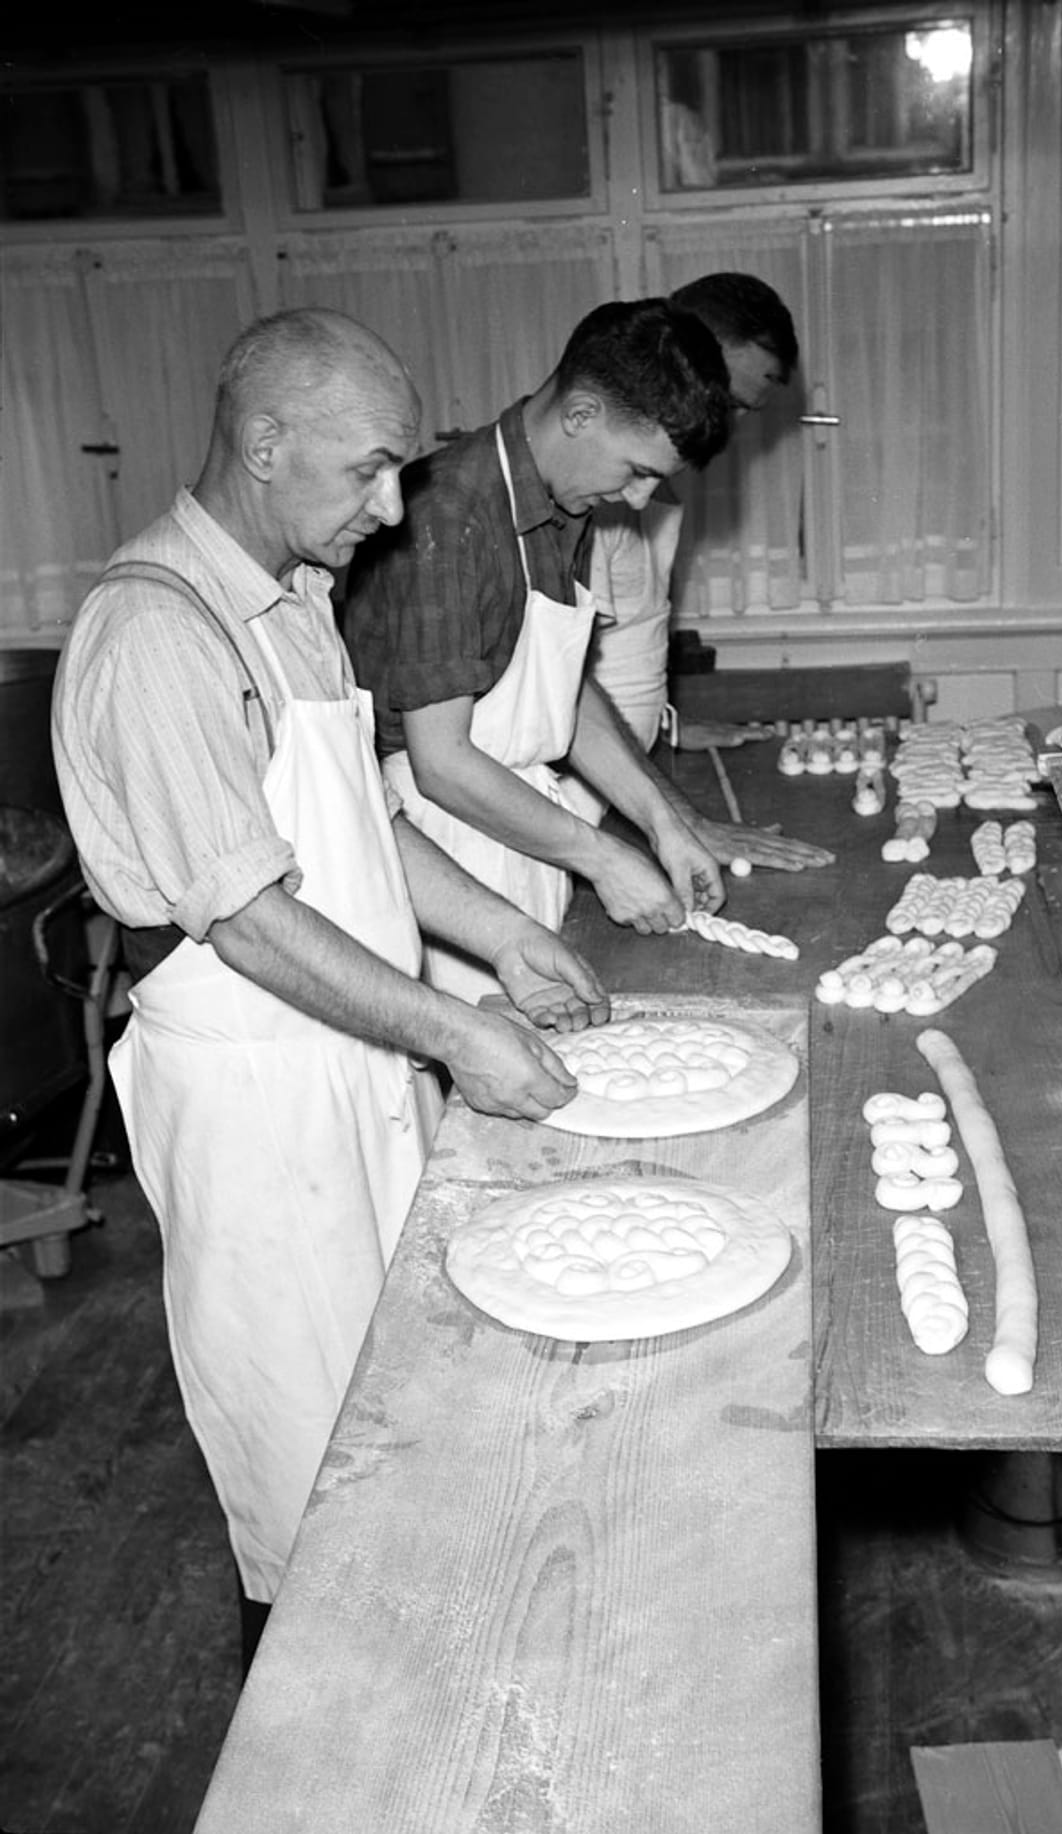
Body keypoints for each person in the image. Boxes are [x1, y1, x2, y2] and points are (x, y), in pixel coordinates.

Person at [51, 307, 610, 1657]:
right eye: (368, 467)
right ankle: (307, 1757)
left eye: (402, 465)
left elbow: (365, 826)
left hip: (346, 1070)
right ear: (263, 444)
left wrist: (502, 938)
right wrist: (451, 1031)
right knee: (306, 1469)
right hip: (256, 1111)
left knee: (401, 1411)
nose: (394, 500)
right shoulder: (157, 633)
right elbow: (246, 918)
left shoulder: (294, 605)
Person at [343, 297, 737, 1006]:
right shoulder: (448, 513)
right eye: (637, 469)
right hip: (440, 853)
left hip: (518, 827)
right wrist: (602, 858)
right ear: (580, 414)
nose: (642, 501)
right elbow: (442, 765)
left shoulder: (565, 504)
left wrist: (662, 826)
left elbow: (564, 691)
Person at [583, 272, 834, 873]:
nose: (726, 426)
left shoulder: (647, 482)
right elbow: (559, 687)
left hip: (626, 781)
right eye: (728, 401)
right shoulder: (594, 485)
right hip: (588, 800)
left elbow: (618, 644)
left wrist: (663, 726)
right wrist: (686, 821)